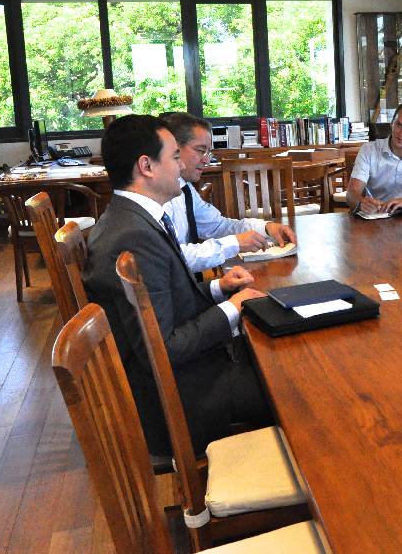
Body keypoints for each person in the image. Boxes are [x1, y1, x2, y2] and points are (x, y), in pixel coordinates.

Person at [83, 114, 273, 455]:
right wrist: (233, 308)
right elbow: (165, 346)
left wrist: (219, 289)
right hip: (182, 399)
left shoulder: (133, 218)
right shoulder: (133, 237)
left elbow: (163, 303)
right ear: (146, 166)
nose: (180, 166)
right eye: (173, 156)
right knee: (295, 382)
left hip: (186, 375)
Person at [160, 112, 297, 272]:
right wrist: (234, 244)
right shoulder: (159, 196)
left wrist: (266, 227)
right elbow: (170, 259)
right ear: (173, 148)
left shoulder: (186, 188)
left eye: (208, 152)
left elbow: (218, 226)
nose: (206, 160)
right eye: (200, 150)